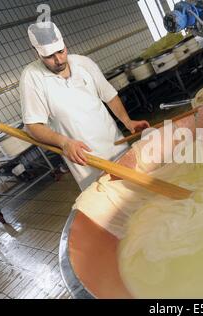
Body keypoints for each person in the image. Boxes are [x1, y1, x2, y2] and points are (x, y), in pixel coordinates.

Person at [19, 22, 149, 190]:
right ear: (36, 53)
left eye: (61, 51)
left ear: (64, 44)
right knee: (109, 200)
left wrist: (128, 121)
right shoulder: (32, 77)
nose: (58, 60)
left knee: (139, 189)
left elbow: (109, 95)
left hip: (115, 145)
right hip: (86, 161)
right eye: (50, 56)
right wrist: (64, 143)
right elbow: (33, 126)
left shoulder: (83, 63)